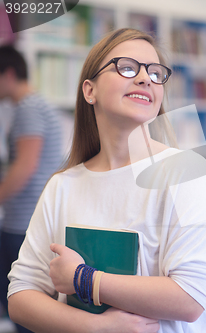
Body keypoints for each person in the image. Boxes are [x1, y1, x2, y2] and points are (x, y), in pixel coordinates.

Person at [7, 28, 206, 333]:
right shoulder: (63, 185)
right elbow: (21, 295)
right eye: (126, 67)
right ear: (89, 91)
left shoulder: (185, 172)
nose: (145, 78)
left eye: (155, 72)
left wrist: (85, 279)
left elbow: (191, 297)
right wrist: (97, 327)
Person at [0, 45, 62, 333]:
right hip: (30, 220)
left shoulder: (28, 108)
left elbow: (25, 166)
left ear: (9, 74)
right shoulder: (39, 105)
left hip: (22, 223)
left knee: (21, 306)